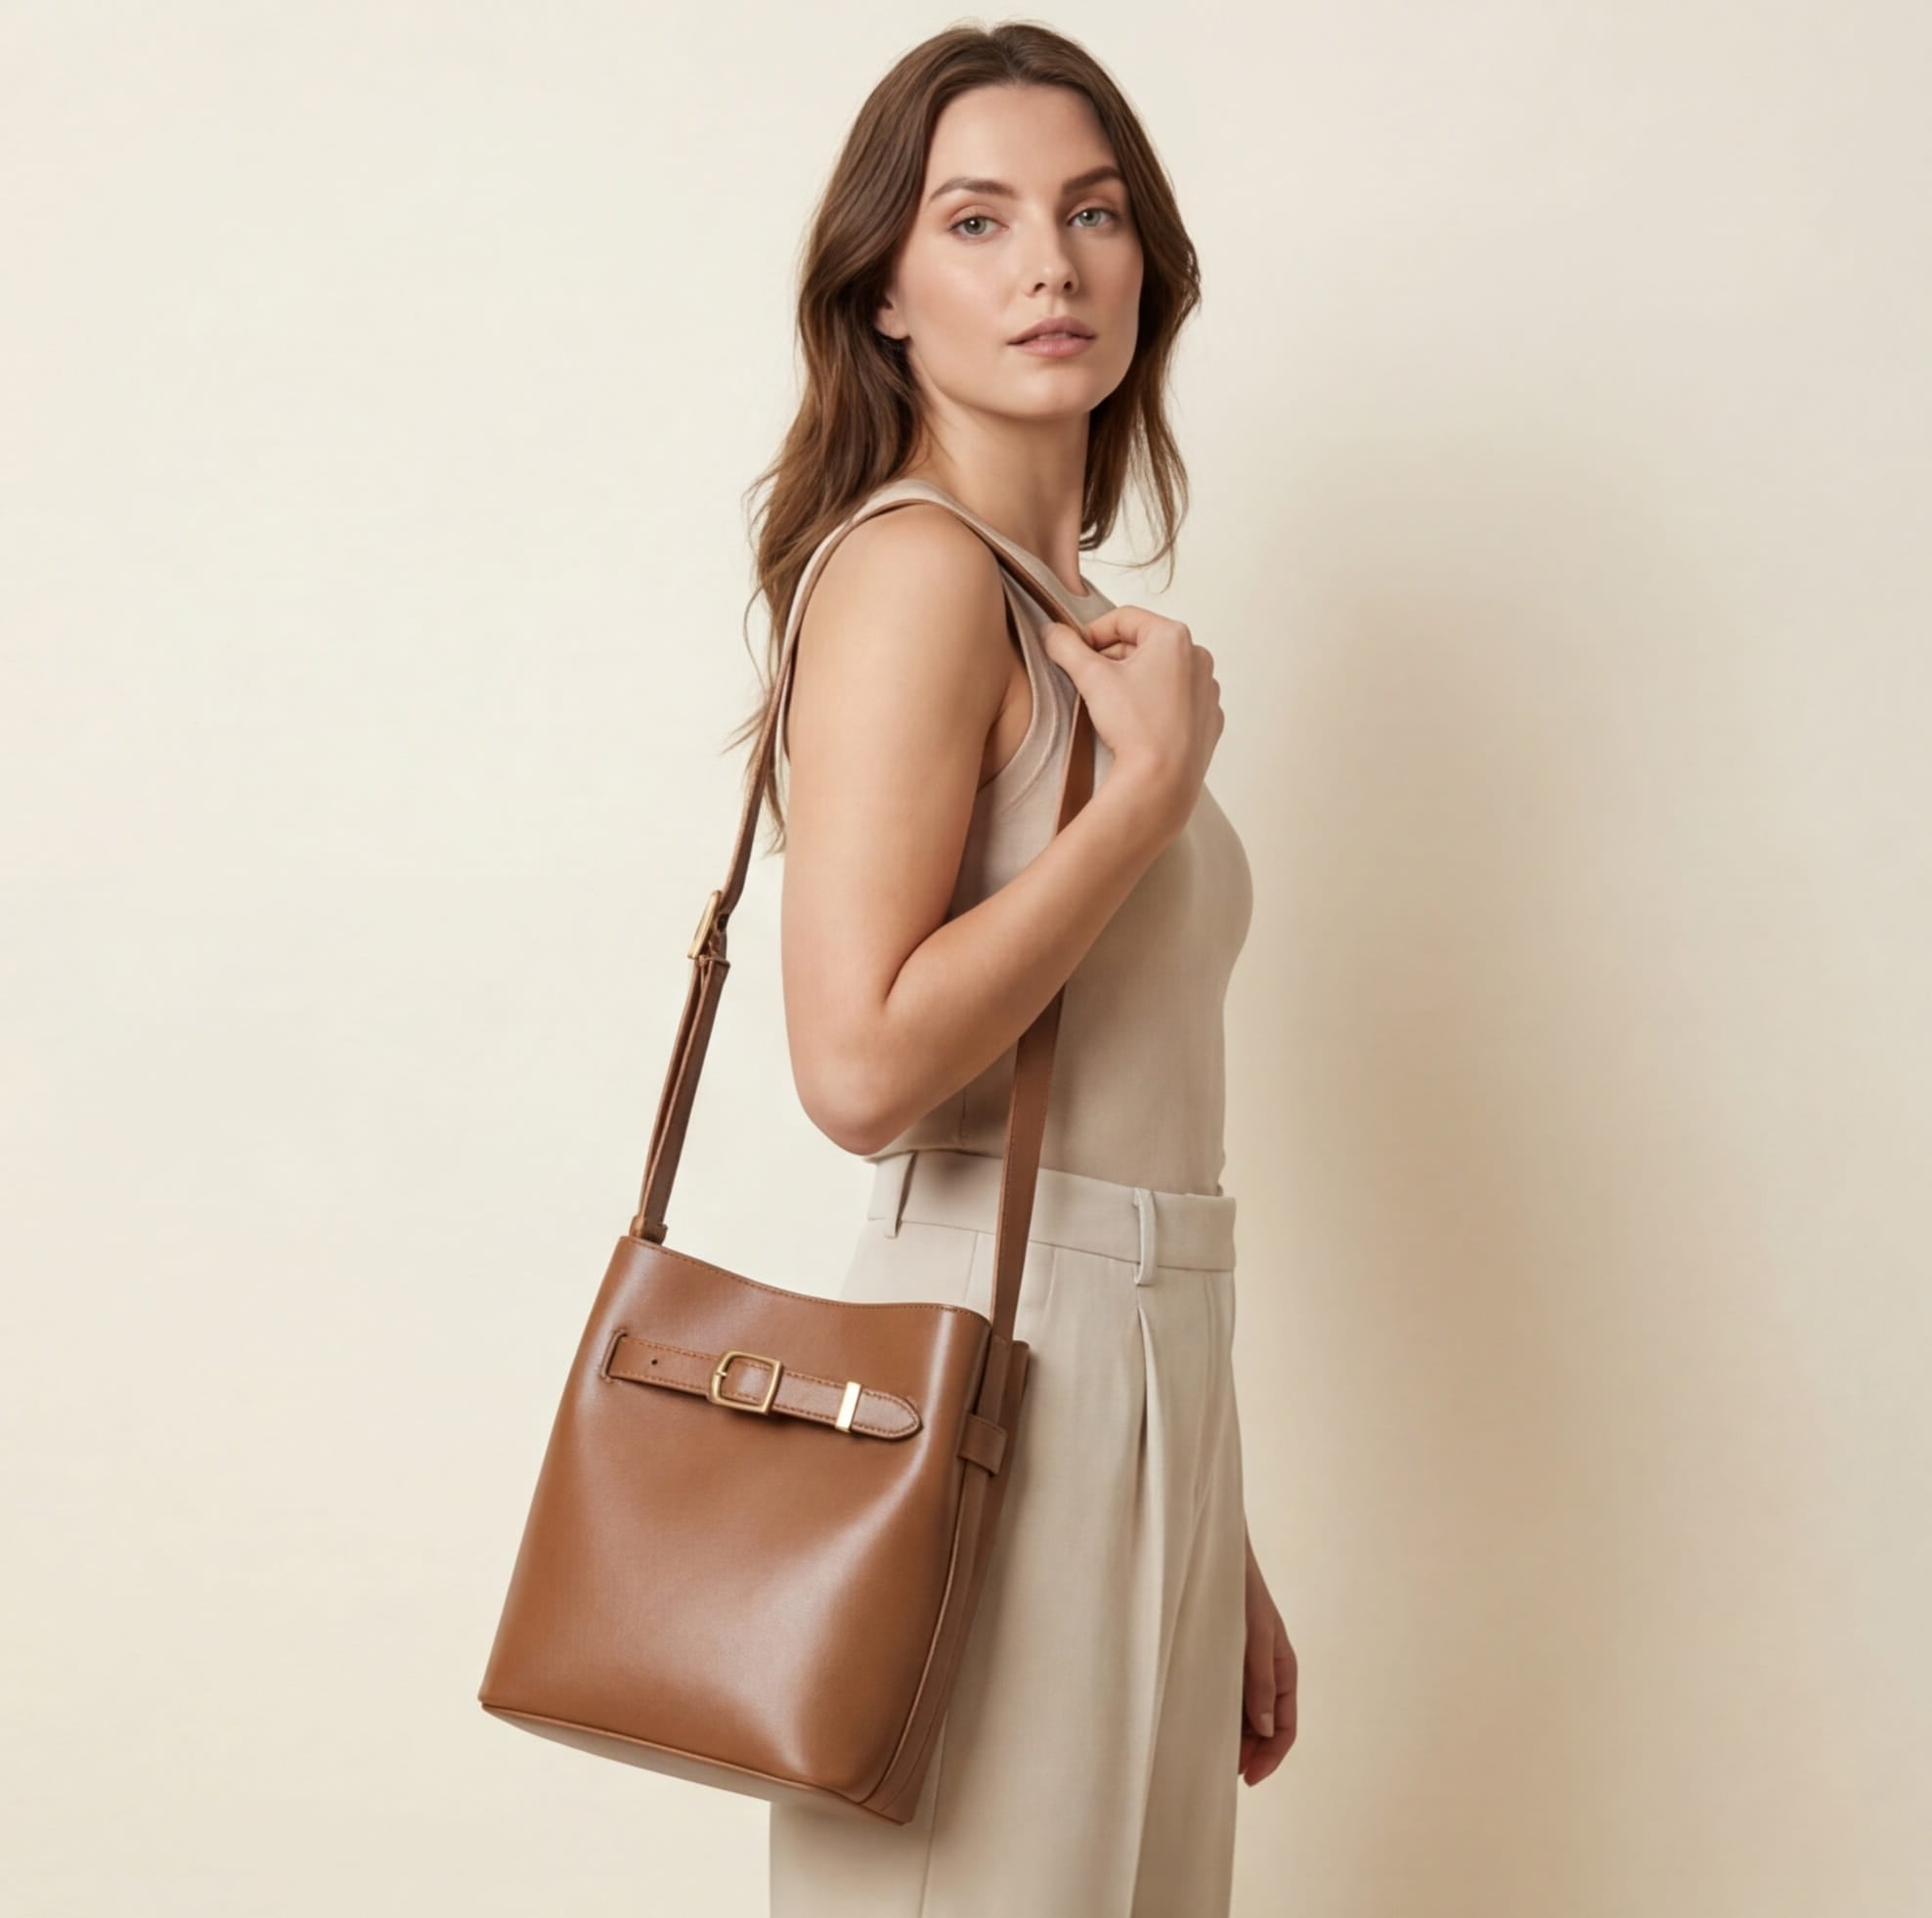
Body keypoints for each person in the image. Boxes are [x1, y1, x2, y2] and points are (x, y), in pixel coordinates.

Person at [733, 22, 1297, 1916]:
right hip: (1001, 1377)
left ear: (1149, 264)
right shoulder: (912, 576)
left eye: (1094, 212)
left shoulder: (1073, 618)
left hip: (1137, 1387)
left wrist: (1210, 1523)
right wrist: (1136, 809)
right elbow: (860, 1071)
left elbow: (1126, 1111)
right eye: (976, 221)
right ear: (884, 291)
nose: (1050, 264)